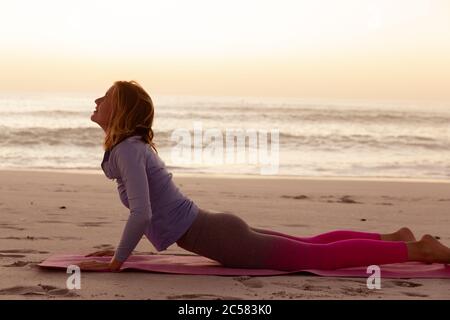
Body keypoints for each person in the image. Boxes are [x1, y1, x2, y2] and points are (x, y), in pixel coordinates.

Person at [79, 80, 450, 272]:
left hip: (220, 236)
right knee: (313, 246)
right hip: (217, 229)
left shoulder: (128, 149)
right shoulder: (129, 148)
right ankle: (394, 238)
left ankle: (418, 249)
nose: (96, 100)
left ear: (122, 111)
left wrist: (117, 262)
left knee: (317, 258)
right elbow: (149, 213)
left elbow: (142, 213)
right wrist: (120, 252)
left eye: (106, 96)